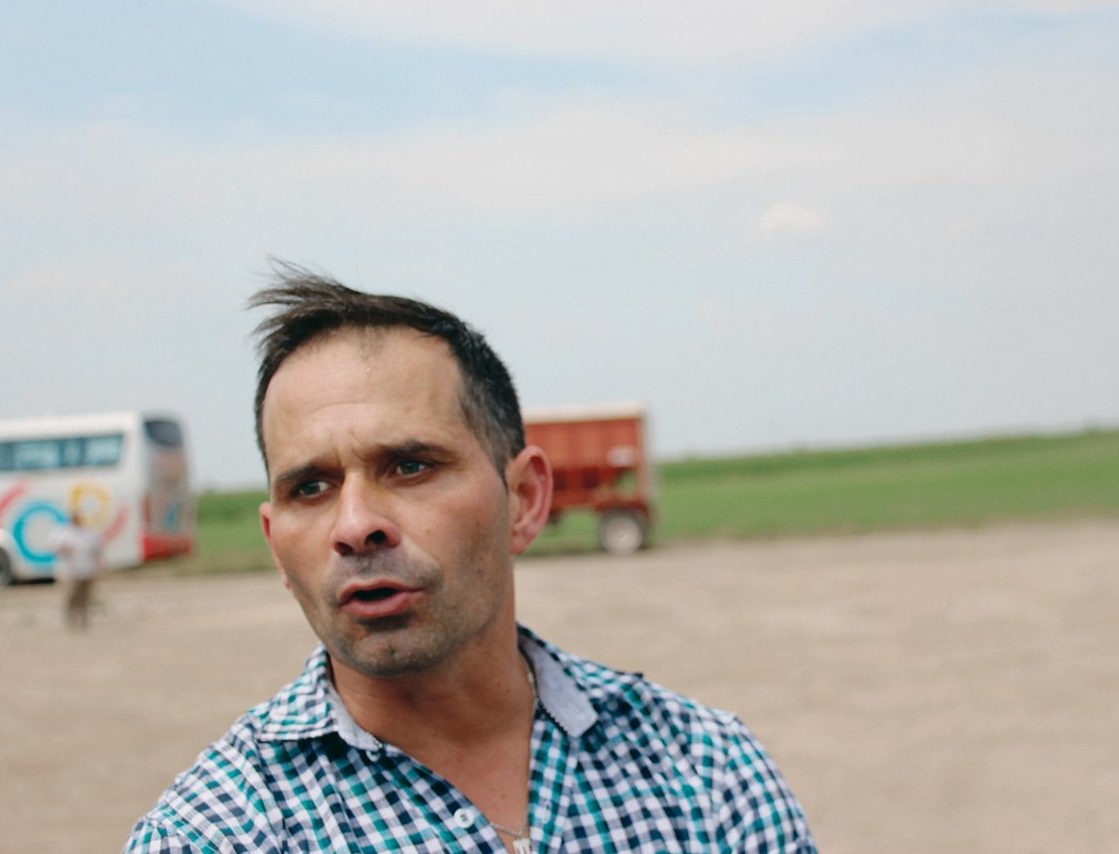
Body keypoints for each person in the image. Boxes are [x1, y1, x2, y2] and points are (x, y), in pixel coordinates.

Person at [125, 264, 818, 853]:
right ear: (276, 542)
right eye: (311, 487)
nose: (356, 525)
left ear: (523, 499)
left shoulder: (707, 776)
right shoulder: (215, 835)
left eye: (410, 466)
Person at [52, 509, 103, 630]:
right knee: (71, 596)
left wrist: (99, 567)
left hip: (87, 570)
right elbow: (58, 550)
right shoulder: (64, 533)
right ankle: (71, 620)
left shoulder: (88, 533)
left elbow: (97, 551)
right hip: (71, 571)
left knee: (85, 597)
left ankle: (84, 620)